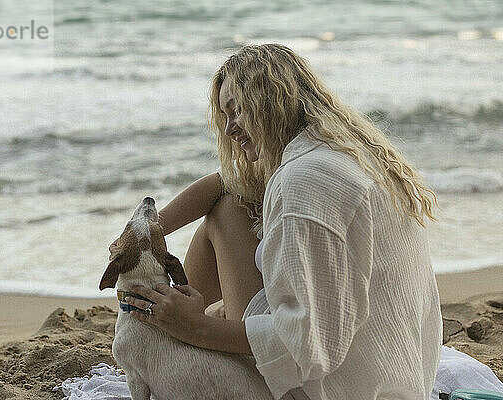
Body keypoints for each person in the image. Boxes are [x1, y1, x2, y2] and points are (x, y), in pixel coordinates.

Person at [115, 44, 443, 400]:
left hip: (332, 389)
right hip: (395, 378)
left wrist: (197, 327)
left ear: (269, 100)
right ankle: (176, 321)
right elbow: (224, 182)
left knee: (224, 215)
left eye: (236, 110)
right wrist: (149, 229)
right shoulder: (348, 157)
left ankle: (174, 327)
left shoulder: (302, 181)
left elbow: (309, 345)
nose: (229, 129)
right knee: (230, 204)